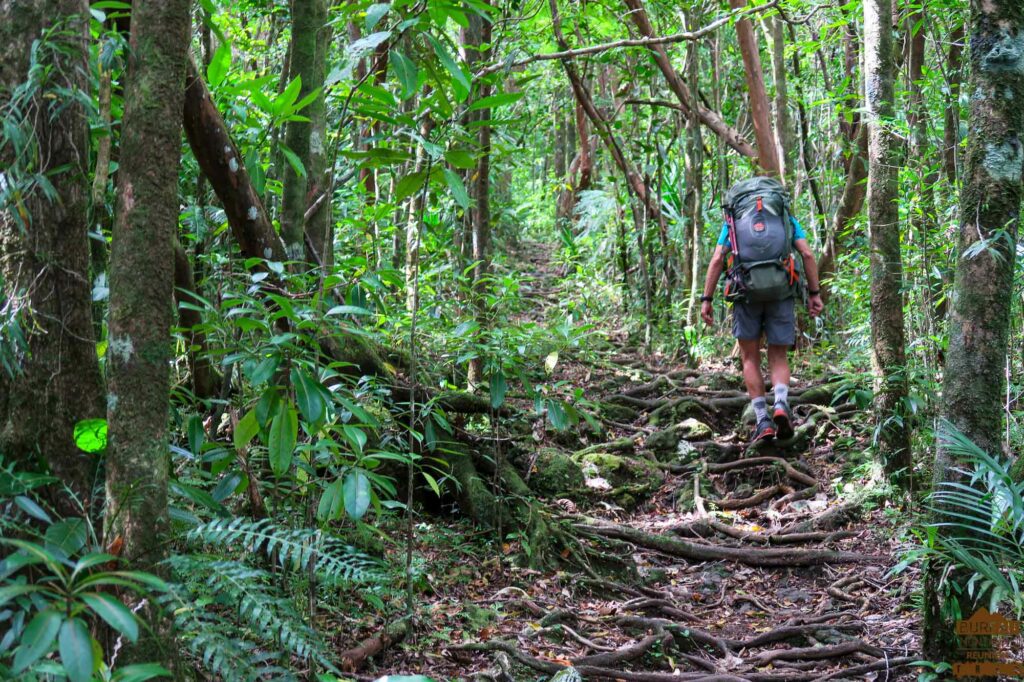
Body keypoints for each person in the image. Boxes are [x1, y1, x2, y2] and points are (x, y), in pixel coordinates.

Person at [699, 185, 824, 443]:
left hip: (745, 293)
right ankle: (780, 404)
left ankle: (762, 420)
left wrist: (707, 299)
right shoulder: (785, 219)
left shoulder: (734, 222)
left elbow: (717, 260)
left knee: (749, 358)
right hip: (781, 291)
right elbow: (808, 254)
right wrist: (814, 293)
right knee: (778, 355)